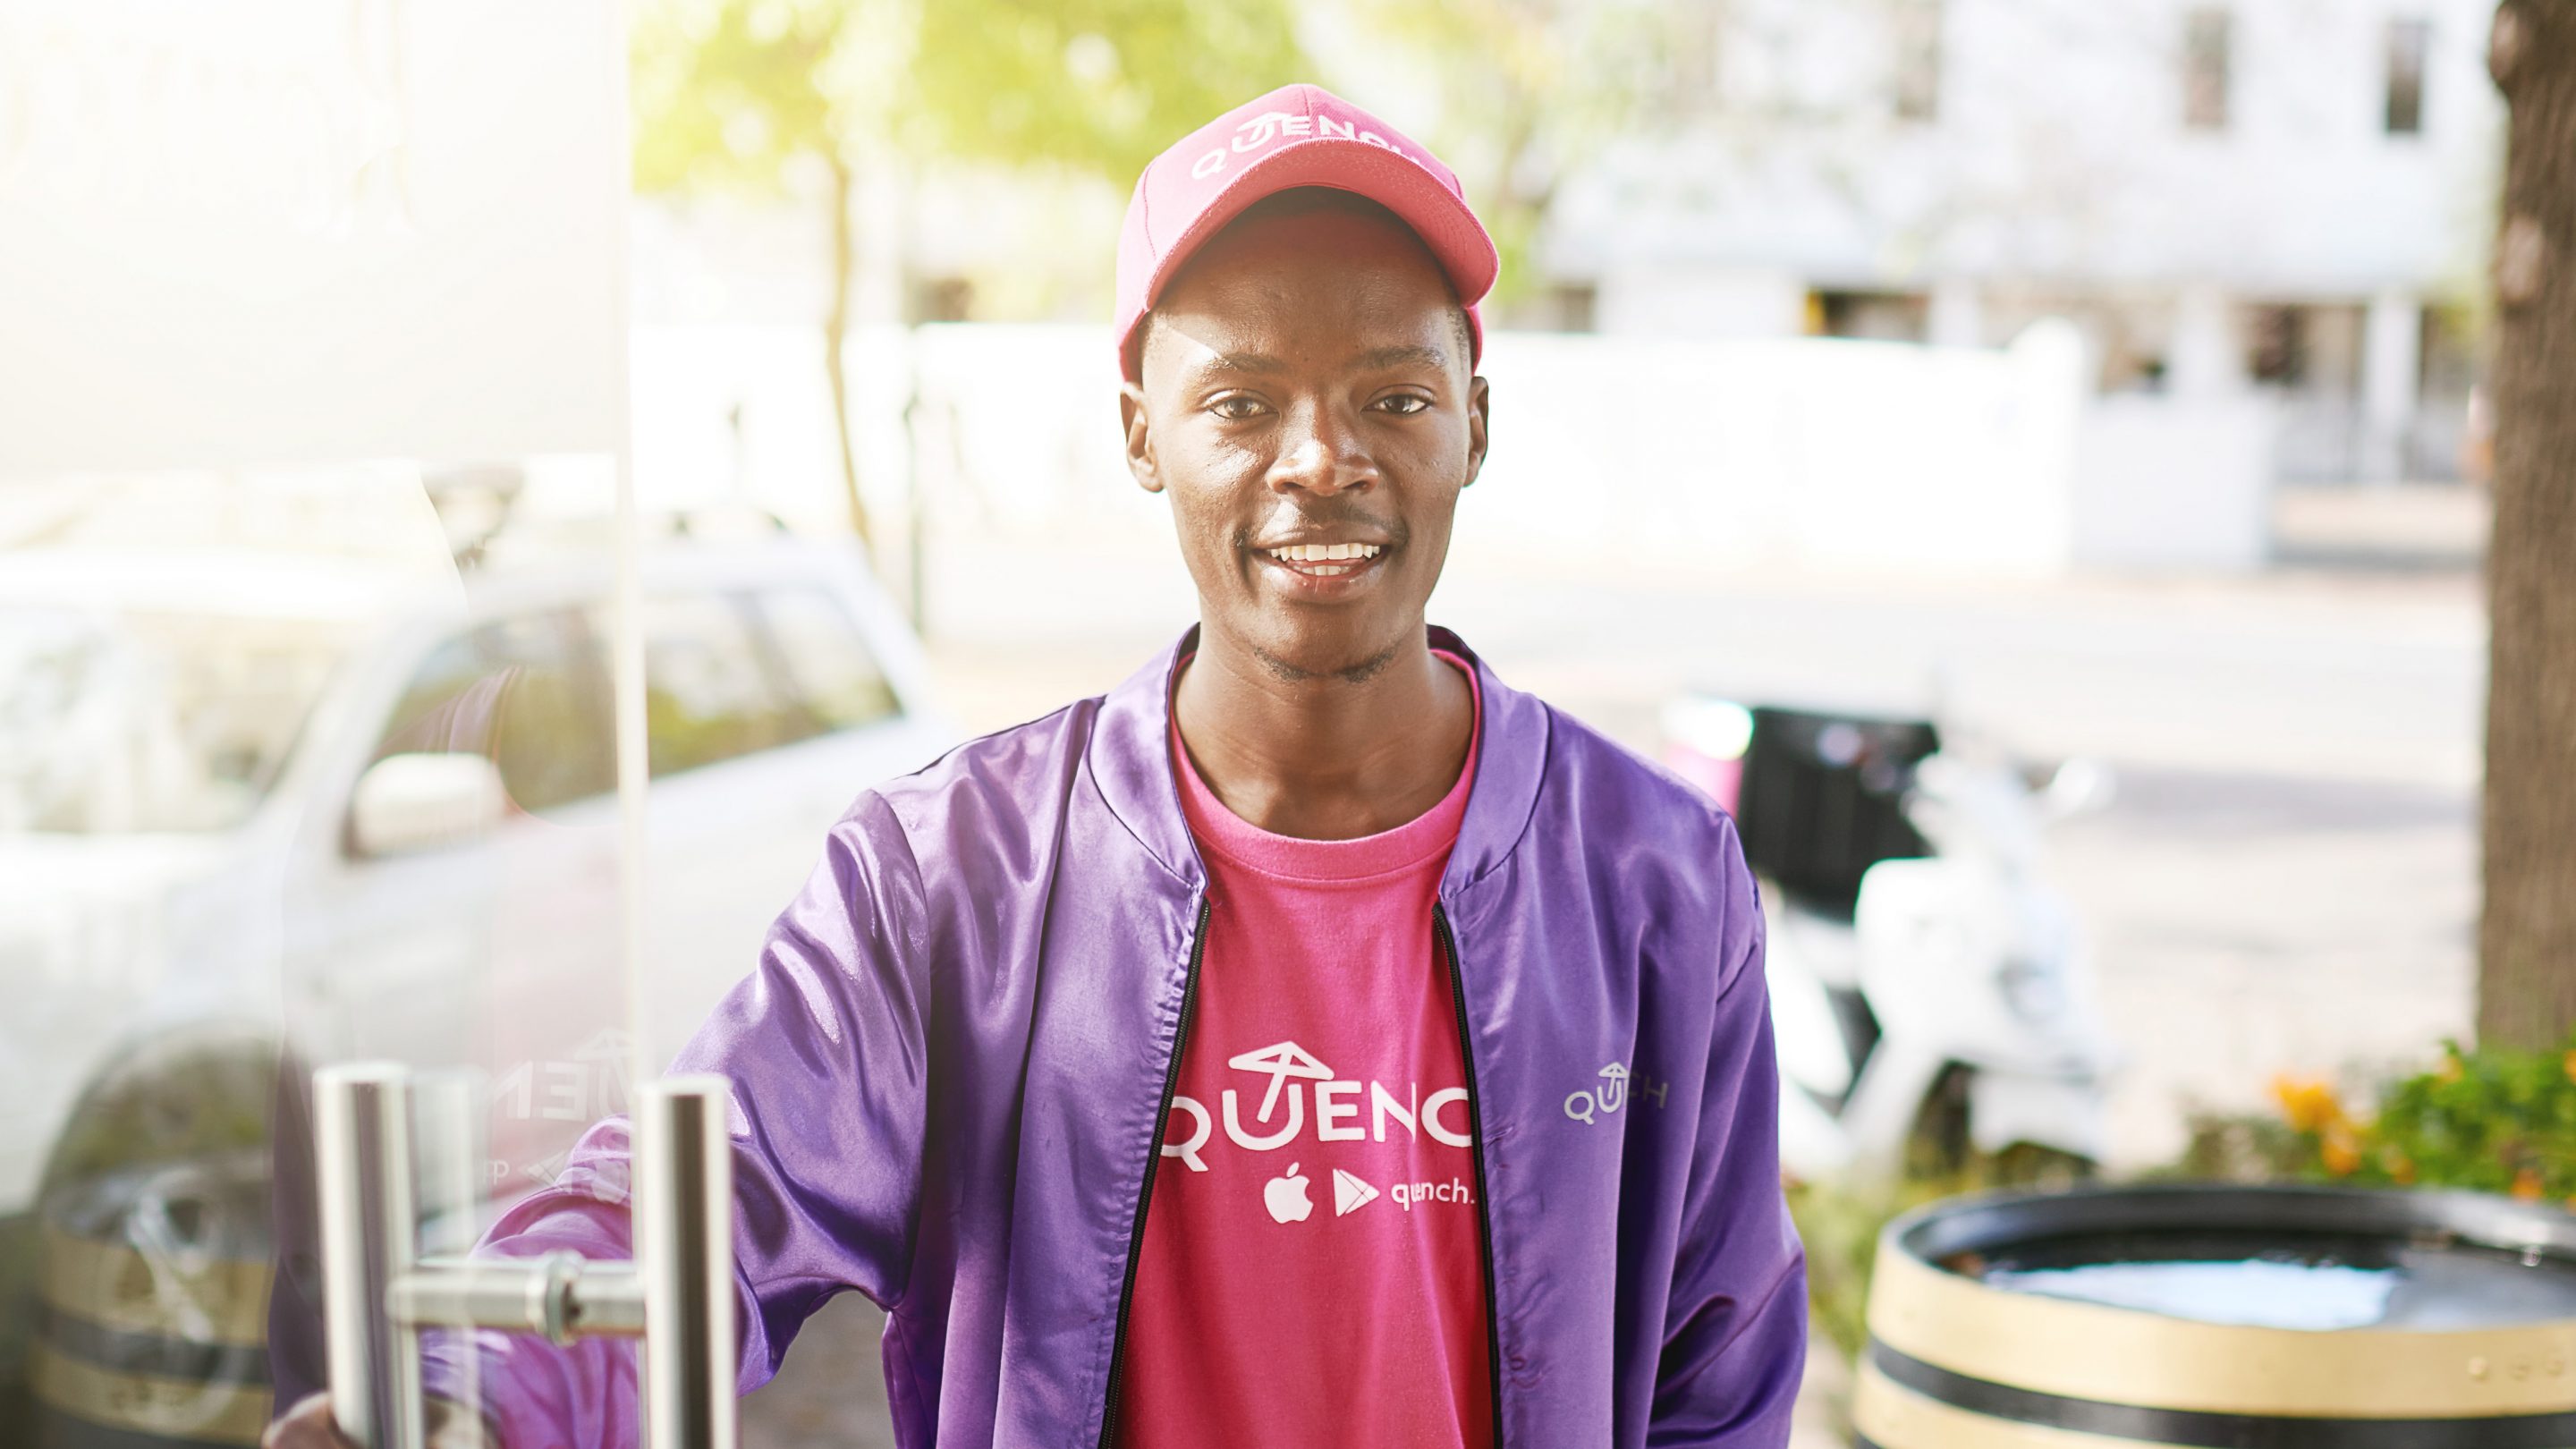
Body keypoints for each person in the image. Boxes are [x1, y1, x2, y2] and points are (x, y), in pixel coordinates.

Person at [268, 82, 1807, 1448]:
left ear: (1476, 422)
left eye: (1394, 396)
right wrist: (474, 1390)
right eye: (1242, 402)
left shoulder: (1654, 876)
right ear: (1144, 434)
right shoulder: (951, 876)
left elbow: (1717, 1374)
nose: (1320, 458)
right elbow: (709, 1197)